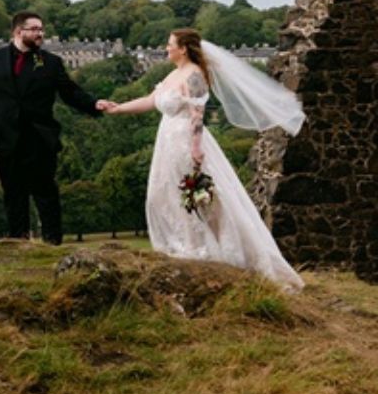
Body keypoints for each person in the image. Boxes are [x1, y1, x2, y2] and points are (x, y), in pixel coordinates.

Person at [98, 28, 305, 290]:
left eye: (170, 44)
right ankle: (182, 247)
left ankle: (205, 250)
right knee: (162, 195)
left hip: (185, 140)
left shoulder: (195, 74)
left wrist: (196, 148)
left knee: (196, 197)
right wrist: (118, 108)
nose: (166, 48)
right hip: (167, 143)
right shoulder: (174, 73)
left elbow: (198, 114)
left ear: (183, 48)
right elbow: (152, 100)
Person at [0, 10, 105, 243]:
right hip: (6, 139)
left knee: (46, 194)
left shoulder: (51, 63)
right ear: (18, 31)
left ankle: (53, 243)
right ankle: (17, 243)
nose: (40, 34)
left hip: (40, 139)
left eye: (41, 29)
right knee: (13, 195)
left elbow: (70, 92)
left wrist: (95, 104)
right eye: (34, 29)